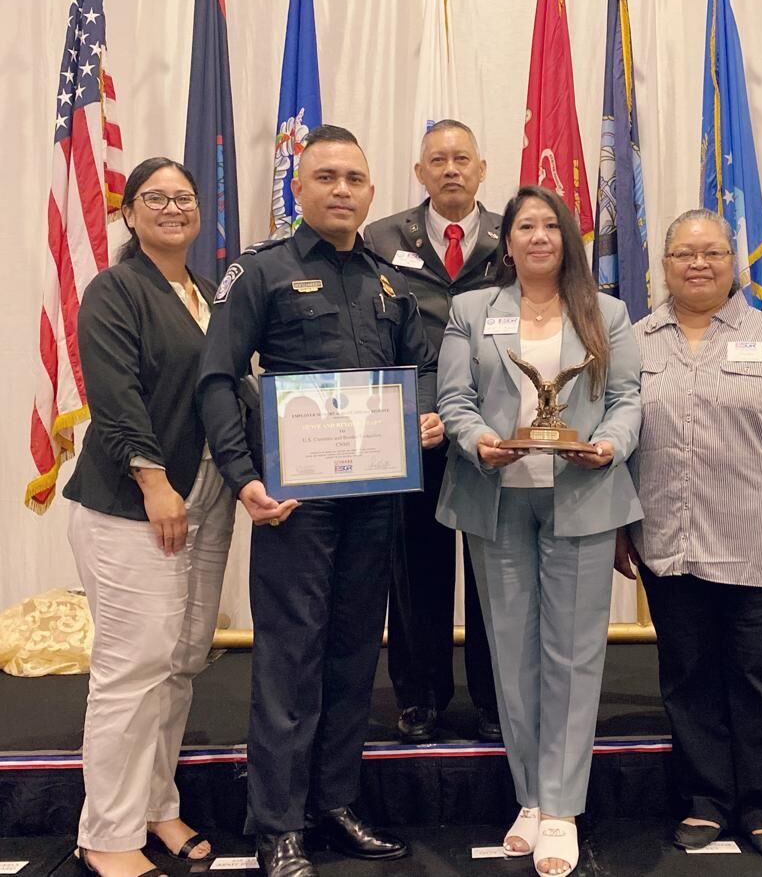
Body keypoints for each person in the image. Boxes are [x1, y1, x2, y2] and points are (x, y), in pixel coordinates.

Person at [197, 125, 443, 877]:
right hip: (294, 503)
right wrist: (244, 479)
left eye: (355, 179)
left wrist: (424, 414)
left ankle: (335, 803)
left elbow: (423, 363)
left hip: (373, 498)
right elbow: (216, 378)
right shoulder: (261, 270)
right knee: (288, 659)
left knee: (350, 655)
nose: (342, 189)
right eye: (326, 176)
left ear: (372, 193)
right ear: (297, 189)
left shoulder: (388, 278)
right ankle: (276, 823)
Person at [435, 185, 642, 877]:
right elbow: (455, 399)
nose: (538, 236)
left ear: (567, 238)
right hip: (497, 497)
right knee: (511, 655)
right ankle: (530, 796)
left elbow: (626, 398)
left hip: (581, 493)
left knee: (574, 654)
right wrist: (478, 440)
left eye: (550, 225)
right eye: (525, 225)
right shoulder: (470, 311)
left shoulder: (606, 313)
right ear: (509, 238)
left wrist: (610, 443)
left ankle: (563, 805)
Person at [615, 209, 762, 862]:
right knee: (688, 677)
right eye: (685, 253)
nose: (699, 264)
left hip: (756, 546)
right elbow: (618, 438)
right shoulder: (636, 341)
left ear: (733, 260)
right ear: (665, 264)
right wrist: (621, 526)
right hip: (668, 544)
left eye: (712, 252)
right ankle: (706, 801)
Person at [64, 157, 234, 877]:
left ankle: (156, 804)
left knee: (180, 661)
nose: (172, 207)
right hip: (134, 504)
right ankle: (105, 831)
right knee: (131, 669)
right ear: (129, 212)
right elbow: (116, 393)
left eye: (184, 197)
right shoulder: (116, 289)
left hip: (206, 499)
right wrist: (153, 480)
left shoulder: (203, 293)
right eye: (155, 197)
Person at [363, 119, 501, 744]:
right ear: (419, 172)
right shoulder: (380, 236)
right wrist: (409, 413)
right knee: (414, 570)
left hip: (492, 426)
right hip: (413, 425)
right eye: (437, 160)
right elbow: (374, 334)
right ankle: (419, 696)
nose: (450, 169)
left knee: (494, 570)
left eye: (461, 158)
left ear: (481, 169)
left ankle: (497, 696)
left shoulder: (512, 236)